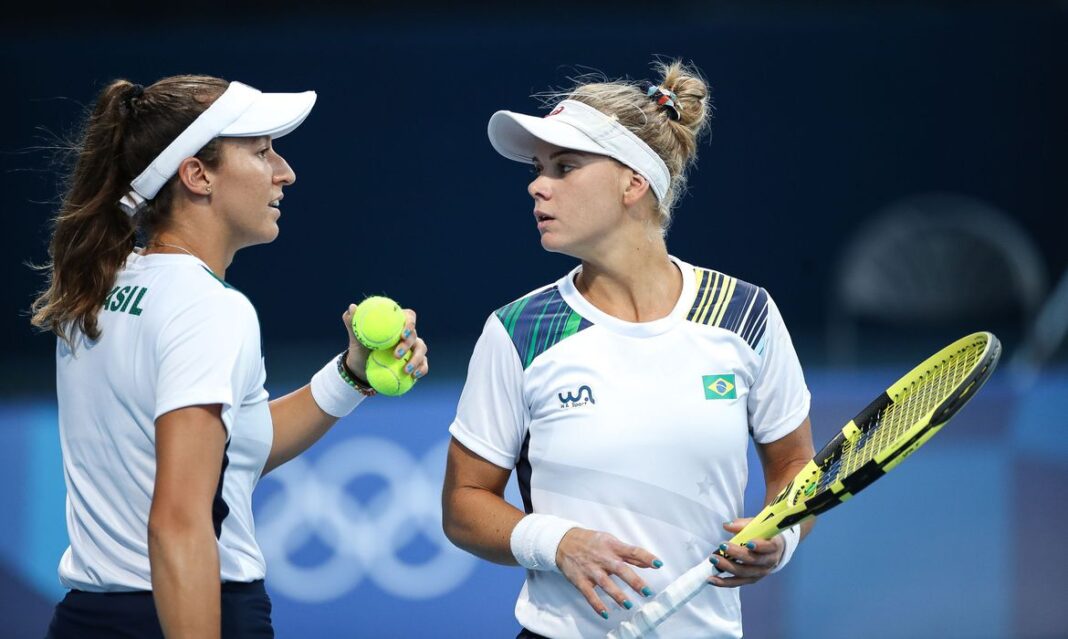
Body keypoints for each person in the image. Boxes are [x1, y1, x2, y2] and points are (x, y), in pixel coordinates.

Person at [30, 75, 428, 638]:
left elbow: (226, 455)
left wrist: (352, 373)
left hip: (87, 620)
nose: (285, 172)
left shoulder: (100, 287)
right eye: (262, 152)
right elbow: (179, 521)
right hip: (186, 610)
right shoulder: (209, 308)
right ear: (197, 174)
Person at [442, 60, 815, 638]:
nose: (537, 185)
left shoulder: (746, 315)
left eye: (564, 167)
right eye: (539, 169)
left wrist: (782, 536)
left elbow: (794, 465)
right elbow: (464, 504)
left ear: (633, 182)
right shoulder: (519, 330)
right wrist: (558, 543)